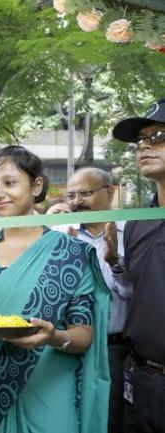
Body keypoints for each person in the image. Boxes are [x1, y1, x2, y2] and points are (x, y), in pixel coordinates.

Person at [0, 146, 110, 433]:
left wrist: (54, 337)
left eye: (10, 183)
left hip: (48, 385)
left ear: (36, 186)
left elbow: (83, 336)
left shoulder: (70, 253)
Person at [112, 98, 165, 433]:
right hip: (143, 381)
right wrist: (114, 264)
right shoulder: (136, 223)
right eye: (141, 140)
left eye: (158, 136)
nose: (145, 146)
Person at [65, 167, 132, 433]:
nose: (77, 202)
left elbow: (133, 293)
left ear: (110, 192)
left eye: (85, 193)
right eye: (71, 195)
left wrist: (115, 262)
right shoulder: (62, 234)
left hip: (114, 349)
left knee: (110, 418)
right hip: (69, 347)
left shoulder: (131, 232)